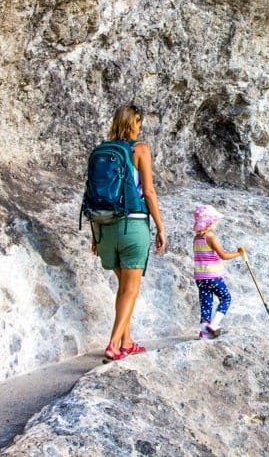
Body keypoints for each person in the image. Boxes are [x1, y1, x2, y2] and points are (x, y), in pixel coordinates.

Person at [91, 104, 166, 361]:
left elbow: (94, 193)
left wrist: (94, 234)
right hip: (132, 225)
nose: (139, 128)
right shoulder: (140, 149)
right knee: (131, 289)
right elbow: (149, 192)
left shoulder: (101, 151)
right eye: (139, 123)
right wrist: (160, 227)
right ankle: (113, 344)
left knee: (123, 286)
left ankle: (127, 341)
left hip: (103, 228)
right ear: (135, 124)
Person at [192, 205, 244, 339]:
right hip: (213, 276)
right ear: (209, 223)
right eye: (215, 221)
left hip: (200, 278)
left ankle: (203, 332)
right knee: (226, 298)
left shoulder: (196, 239)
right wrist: (239, 253)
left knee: (206, 303)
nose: (216, 224)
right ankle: (214, 324)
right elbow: (224, 256)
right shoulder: (211, 238)